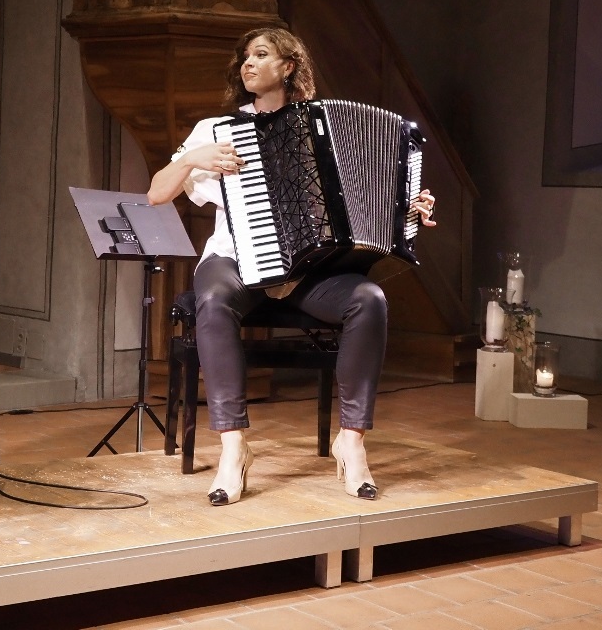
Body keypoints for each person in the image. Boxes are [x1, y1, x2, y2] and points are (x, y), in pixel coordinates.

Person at [147, 27, 437, 506]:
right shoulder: (217, 129)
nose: (247, 63)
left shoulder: (322, 128)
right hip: (236, 261)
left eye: (260, 54)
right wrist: (194, 158)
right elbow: (158, 192)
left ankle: (352, 442)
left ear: (289, 67)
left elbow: (372, 201)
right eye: (243, 56)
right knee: (213, 299)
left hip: (307, 272)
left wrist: (409, 210)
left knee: (370, 299)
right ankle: (234, 446)